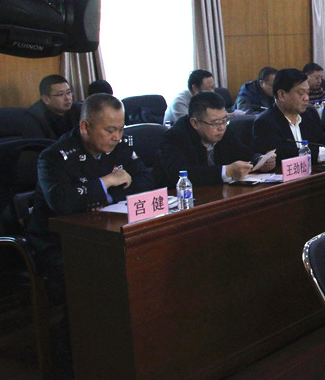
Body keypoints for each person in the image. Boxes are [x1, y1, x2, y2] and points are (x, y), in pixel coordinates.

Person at [27, 93, 155, 299]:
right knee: (106, 276)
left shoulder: (120, 146)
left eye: (121, 129)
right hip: (59, 242)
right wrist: (107, 182)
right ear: (85, 127)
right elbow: (63, 203)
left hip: (107, 233)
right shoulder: (54, 157)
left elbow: (146, 181)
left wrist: (103, 197)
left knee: (148, 259)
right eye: (110, 130)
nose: (117, 137)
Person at [154, 91, 275, 188]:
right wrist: (227, 171)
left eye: (224, 120)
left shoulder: (223, 129)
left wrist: (259, 160)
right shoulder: (175, 137)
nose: (221, 127)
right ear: (195, 123)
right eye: (215, 123)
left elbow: (241, 151)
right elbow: (181, 174)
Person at [252, 68, 325, 166]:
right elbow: (281, 155)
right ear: (282, 95)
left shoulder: (309, 113)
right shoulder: (265, 122)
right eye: (301, 93)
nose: (306, 98)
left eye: (307, 93)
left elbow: (322, 141)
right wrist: (324, 154)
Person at [28, 75, 83, 139]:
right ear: (46, 99)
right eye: (60, 94)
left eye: (68, 92)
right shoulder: (33, 118)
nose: (67, 98)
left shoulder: (80, 109)